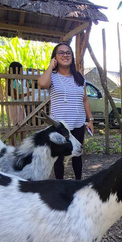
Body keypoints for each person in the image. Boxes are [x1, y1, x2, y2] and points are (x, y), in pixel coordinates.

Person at [38, 43, 94, 180]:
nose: (65, 55)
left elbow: (85, 99)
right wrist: (51, 66)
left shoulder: (80, 78)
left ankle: (78, 182)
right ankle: (60, 185)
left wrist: (90, 119)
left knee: (77, 154)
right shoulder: (52, 76)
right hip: (60, 127)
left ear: (72, 57)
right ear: (55, 57)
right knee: (59, 157)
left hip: (78, 124)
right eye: (61, 53)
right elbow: (42, 84)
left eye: (68, 53)